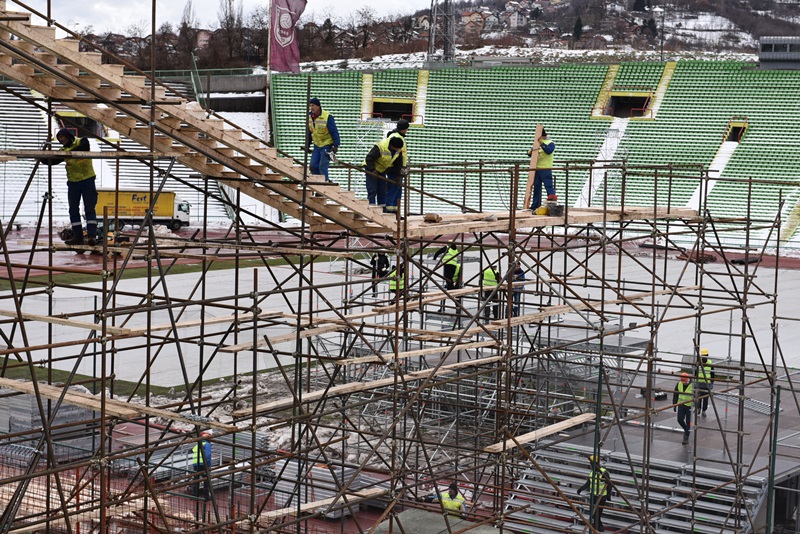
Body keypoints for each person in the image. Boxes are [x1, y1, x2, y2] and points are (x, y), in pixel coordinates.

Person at [40, 128, 98, 246]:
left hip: (87, 180)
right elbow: (54, 161)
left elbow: (84, 148)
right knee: (73, 210)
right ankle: (78, 236)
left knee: (89, 209)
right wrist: (41, 158)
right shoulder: (63, 150)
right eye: (59, 138)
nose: (61, 140)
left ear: (68, 136)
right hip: (73, 183)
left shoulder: (82, 141)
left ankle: (92, 235)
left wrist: (67, 153)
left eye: (62, 137)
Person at [364, 136, 404, 208]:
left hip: (382, 170)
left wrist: (398, 175)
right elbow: (369, 158)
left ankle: (382, 209)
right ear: (392, 146)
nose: (397, 151)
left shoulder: (398, 150)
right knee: (372, 190)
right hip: (371, 169)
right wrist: (372, 170)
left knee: (382, 190)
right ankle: (371, 208)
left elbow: (398, 164)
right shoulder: (381, 147)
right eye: (395, 149)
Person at [307, 97, 340, 182]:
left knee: (322, 166)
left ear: (318, 106)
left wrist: (336, 145)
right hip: (317, 146)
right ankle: (319, 183)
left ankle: (324, 184)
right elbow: (310, 132)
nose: (312, 107)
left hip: (326, 145)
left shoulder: (327, 117)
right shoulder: (310, 117)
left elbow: (334, 131)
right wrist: (307, 144)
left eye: (313, 105)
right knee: (313, 166)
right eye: (310, 105)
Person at [577, 455, 611, 532]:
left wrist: (609, 495)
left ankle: (599, 527)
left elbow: (609, 485)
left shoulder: (604, 473)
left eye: (590, 464)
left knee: (597, 513)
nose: (589, 465)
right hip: (593, 495)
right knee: (593, 514)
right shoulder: (592, 472)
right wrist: (581, 489)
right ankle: (598, 527)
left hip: (601, 496)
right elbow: (588, 482)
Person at [527, 128, 557, 211]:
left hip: (545, 169)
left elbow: (548, 151)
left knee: (549, 187)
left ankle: (552, 206)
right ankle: (535, 205)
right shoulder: (537, 144)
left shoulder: (550, 143)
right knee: (536, 188)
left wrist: (542, 143)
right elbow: (530, 153)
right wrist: (530, 152)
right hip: (537, 169)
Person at [384, 119, 410, 214]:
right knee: (392, 191)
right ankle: (389, 213)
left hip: (399, 169)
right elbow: (396, 155)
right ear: (403, 129)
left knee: (397, 192)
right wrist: (398, 170)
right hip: (394, 169)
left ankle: (395, 213)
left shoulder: (397, 136)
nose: (407, 131)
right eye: (406, 129)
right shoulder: (395, 137)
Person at [673, 372, 693, 445]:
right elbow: (675, 394)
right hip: (681, 404)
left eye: (684, 380)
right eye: (681, 380)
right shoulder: (679, 383)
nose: (682, 382)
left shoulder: (693, 385)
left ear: (687, 379)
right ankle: (687, 430)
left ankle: (686, 436)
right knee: (680, 419)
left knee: (688, 421)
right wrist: (674, 404)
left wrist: (697, 406)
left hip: (689, 406)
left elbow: (698, 396)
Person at [191, 431, 213, 499]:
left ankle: (194, 495)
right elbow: (208, 455)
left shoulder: (198, 444)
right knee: (206, 480)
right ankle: (206, 495)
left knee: (196, 479)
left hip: (195, 464)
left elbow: (192, 450)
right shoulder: (207, 444)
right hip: (203, 464)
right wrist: (208, 464)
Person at [696, 348, 715, 416]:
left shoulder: (710, 363)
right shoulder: (698, 362)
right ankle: (698, 409)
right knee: (698, 397)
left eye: (705, 356)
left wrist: (712, 382)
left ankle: (704, 410)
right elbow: (695, 372)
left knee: (705, 399)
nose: (704, 357)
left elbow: (712, 374)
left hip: (707, 383)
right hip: (699, 383)